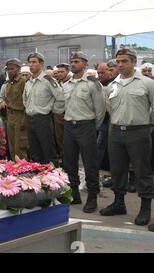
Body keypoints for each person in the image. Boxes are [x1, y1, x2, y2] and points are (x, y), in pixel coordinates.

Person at [100, 48, 154, 227]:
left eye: (124, 61)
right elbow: (109, 108)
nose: (120, 65)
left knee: (142, 171)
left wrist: (146, 126)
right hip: (115, 132)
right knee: (117, 169)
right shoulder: (112, 85)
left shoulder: (147, 83)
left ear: (133, 62)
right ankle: (119, 203)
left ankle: (145, 208)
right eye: (118, 62)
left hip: (138, 132)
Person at [62, 52, 106, 213]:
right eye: (72, 61)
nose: (73, 64)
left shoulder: (92, 84)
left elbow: (100, 109)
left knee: (90, 163)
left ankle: (92, 197)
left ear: (85, 64)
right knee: (69, 163)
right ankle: (74, 194)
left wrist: (92, 126)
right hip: (69, 126)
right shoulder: (67, 84)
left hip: (86, 126)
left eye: (77, 61)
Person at [23, 52, 64, 164]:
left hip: (43, 119)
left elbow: (61, 98)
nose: (31, 65)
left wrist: (51, 110)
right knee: (35, 152)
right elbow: (25, 99)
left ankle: (52, 178)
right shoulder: (28, 82)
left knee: (48, 152)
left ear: (41, 64)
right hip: (30, 119)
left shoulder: (48, 80)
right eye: (29, 62)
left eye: (34, 62)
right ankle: (37, 178)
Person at [0, 58, 27, 160]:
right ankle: (13, 169)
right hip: (9, 115)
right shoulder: (8, 83)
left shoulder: (23, 82)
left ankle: (23, 170)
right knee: (11, 145)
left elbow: (26, 101)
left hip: (20, 115)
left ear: (18, 69)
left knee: (20, 146)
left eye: (12, 69)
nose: (10, 71)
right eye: (8, 69)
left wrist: (24, 120)